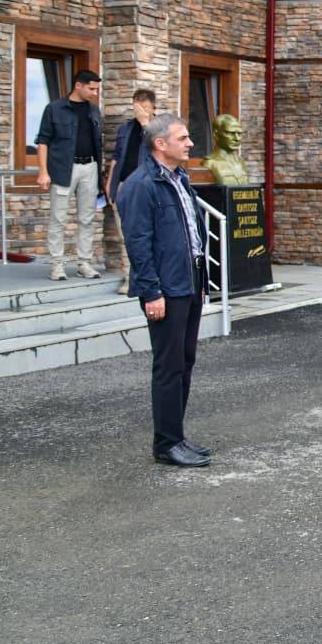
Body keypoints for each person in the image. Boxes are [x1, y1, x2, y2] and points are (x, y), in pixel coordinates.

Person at [117, 112, 211, 469]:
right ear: (160, 144)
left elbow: (191, 235)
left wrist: (200, 284)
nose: (189, 143)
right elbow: (138, 243)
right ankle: (167, 443)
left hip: (188, 285)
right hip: (165, 290)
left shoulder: (179, 178)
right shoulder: (141, 185)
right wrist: (151, 291)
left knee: (184, 363)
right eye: (183, 138)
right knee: (169, 366)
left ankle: (177, 437)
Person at [36, 68, 103, 281]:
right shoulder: (54, 109)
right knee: (58, 218)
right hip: (63, 169)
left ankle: (85, 263)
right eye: (91, 88)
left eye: (96, 89)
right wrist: (43, 172)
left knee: (87, 218)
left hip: (90, 168)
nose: (94, 93)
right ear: (78, 85)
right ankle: (57, 265)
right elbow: (43, 141)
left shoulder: (94, 111)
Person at [106, 89, 157, 296]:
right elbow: (116, 157)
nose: (140, 112)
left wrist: (146, 123)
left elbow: (158, 149)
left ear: (154, 108)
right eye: (137, 107)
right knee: (124, 235)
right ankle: (129, 277)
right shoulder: (126, 128)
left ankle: (148, 279)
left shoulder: (160, 128)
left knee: (146, 235)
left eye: (145, 108)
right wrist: (110, 186)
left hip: (146, 188)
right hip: (123, 186)